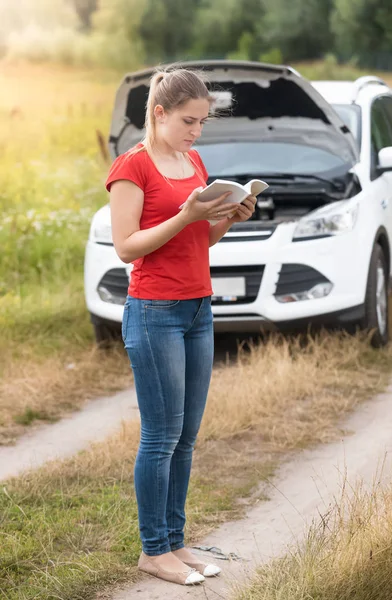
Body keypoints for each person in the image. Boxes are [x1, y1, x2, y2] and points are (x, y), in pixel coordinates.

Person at [105, 67, 256, 586]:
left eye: (203, 123)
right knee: (161, 436)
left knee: (186, 437)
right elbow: (127, 246)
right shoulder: (132, 167)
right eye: (189, 121)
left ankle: (175, 542)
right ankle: (153, 551)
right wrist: (189, 215)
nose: (196, 132)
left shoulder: (192, 161)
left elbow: (199, 242)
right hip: (154, 312)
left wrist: (225, 220)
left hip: (197, 309)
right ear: (159, 113)